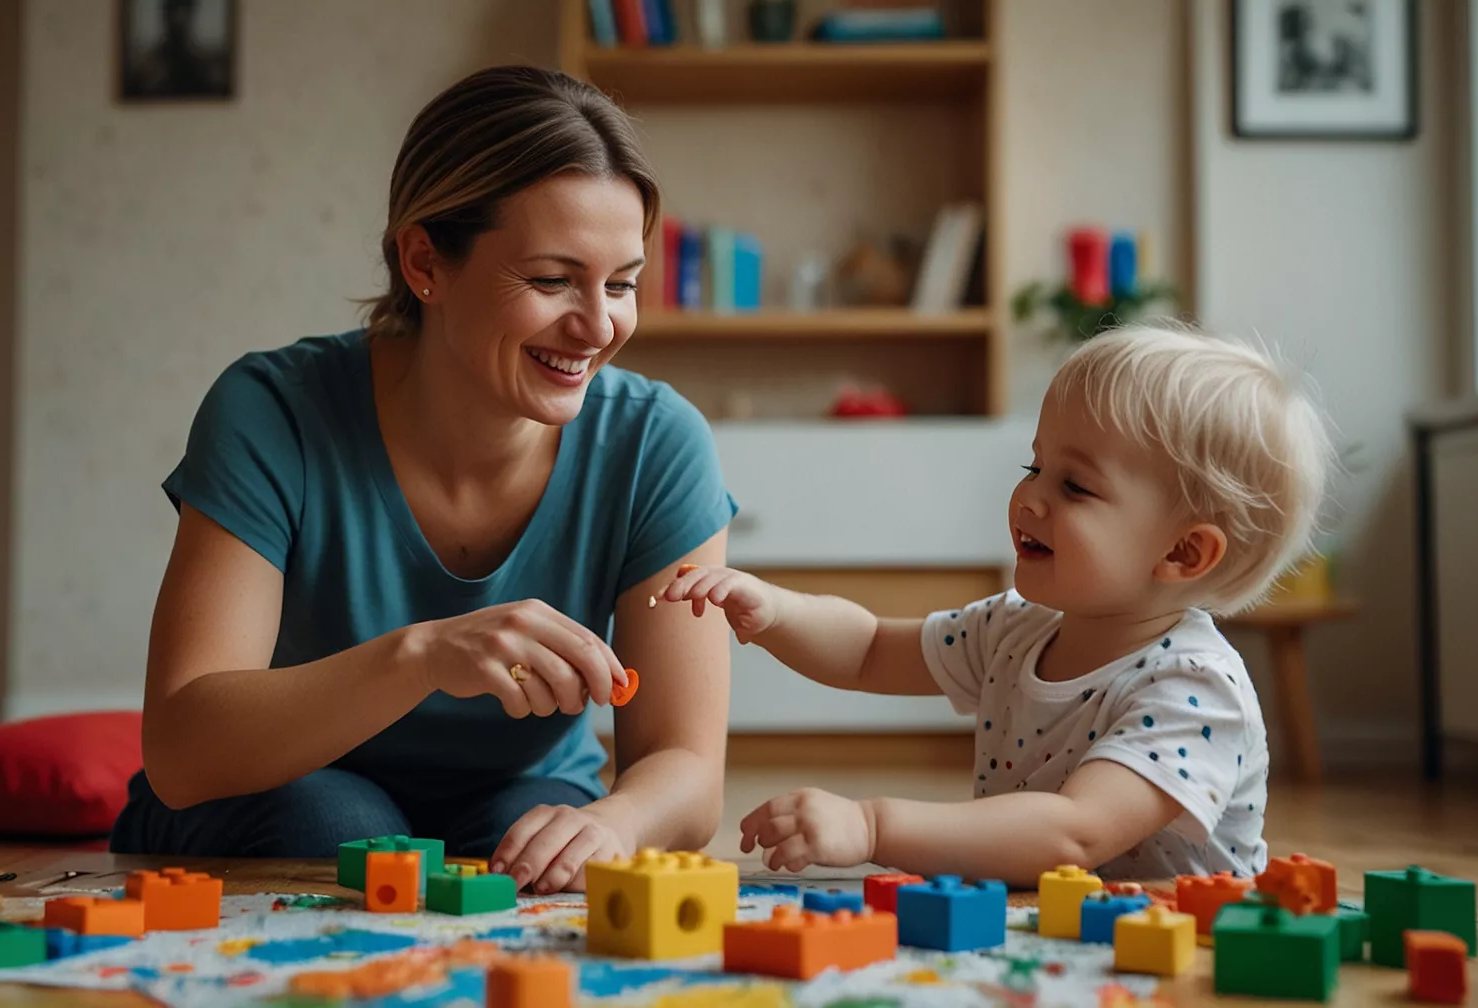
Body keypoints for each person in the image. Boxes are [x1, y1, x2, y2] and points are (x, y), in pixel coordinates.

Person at [110, 65, 736, 895]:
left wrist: (614, 823)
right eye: (553, 280)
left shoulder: (657, 443)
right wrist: (422, 657)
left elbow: (686, 768)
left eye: (621, 284)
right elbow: (183, 751)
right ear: (424, 262)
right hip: (279, 791)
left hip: (518, 792)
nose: (598, 326)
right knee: (342, 827)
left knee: (542, 848)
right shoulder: (271, 411)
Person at [661, 323, 1335, 885]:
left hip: (1180, 948)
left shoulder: (1194, 689)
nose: (1030, 497)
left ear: (1183, 553)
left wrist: (871, 826)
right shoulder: (1016, 629)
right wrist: (776, 611)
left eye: (1075, 486)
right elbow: (869, 650)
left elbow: (1074, 833)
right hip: (1054, 925)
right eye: (1034, 467)